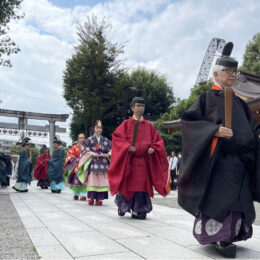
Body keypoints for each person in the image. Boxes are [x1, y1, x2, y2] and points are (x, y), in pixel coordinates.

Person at [178, 42, 260, 258]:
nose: (233, 74)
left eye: (235, 71)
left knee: (238, 202)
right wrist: (213, 131)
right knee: (221, 201)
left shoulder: (241, 103)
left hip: (240, 162)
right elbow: (189, 123)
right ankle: (220, 238)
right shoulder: (206, 98)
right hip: (218, 163)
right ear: (216, 74)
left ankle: (232, 236)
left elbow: (253, 128)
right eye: (228, 71)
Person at [108, 97, 170, 220]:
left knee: (141, 186)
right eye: (138, 105)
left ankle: (139, 210)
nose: (140, 108)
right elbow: (117, 139)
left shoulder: (150, 126)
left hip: (143, 163)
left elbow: (158, 141)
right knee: (128, 185)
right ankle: (123, 206)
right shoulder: (125, 124)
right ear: (132, 107)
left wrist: (154, 148)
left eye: (142, 106)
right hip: (129, 162)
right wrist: (126, 147)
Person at [83, 121, 111, 206]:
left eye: (100, 128)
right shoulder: (89, 140)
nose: (99, 129)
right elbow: (85, 150)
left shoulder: (106, 140)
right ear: (94, 129)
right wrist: (92, 153)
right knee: (92, 179)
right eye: (97, 128)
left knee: (102, 181)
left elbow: (112, 150)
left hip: (103, 161)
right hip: (93, 161)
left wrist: (108, 154)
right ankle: (91, 198)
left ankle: (100, 198)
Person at [65, 133, 88, 201]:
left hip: (84, 165)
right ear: (78, 139)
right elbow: (69, 154)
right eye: (80, 138)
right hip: (77, 165)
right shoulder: (74, 147)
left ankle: (83, 195)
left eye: (83, 138)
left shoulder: (87, 148)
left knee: (84, 180)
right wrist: (75, 159)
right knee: (76, 180)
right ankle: (76, 194)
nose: (82, 139)